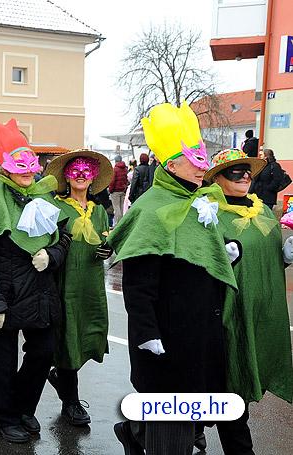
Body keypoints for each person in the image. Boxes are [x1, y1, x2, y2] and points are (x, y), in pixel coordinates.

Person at [109, 102, 239, 455]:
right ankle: (141, 433)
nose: (203, 166)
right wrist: (147, 333)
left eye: (203, 158)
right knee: (171, 427)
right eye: (194, 159)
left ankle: (134, 431)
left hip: (201, 329)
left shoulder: (199, 202)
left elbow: (201, 254)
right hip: (168, 334)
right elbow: (138, 285)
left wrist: (226, 253)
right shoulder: (152, 209)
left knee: (189, 410)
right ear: (171, 165)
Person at [0, 119, 71, 444]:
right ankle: (5, 419)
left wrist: (52, 255)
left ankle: (24, 407)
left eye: (29, 162)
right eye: (18, 164)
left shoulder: (43, 195)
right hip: (5, 296)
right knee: (4, 361)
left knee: (44, 352)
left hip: (40, 293)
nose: (26, 171)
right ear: (3, 166)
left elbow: (64, 237)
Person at [198, 149, 293, 454]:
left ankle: (173, 428)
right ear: (217, 178)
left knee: (235, 381)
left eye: (248, 170)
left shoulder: (261, 210)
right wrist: (217, 261)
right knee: (231, 384)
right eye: (235, 171)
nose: (245, 176)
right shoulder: (206, 212)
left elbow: (263, 260)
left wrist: (284, 256)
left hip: (259, 313)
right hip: (225, 314)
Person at [44, 149, 113, 426]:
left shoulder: (100, 211)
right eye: (75, 170)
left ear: (94, 176)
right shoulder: (55, 208)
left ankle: (60, 377)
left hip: (91, 285)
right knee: (68, 336)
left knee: (86, 333)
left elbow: (107, 238)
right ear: (66, 176)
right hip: (64, 282)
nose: (81, 175)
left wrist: (109, 249)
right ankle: (70, 401)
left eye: (86, 170)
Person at [108, 155, 128, 226]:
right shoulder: (125, 169)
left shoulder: (115, 169)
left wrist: (110, 190)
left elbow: (112, 181)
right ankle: (122, 223)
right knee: (121, 208)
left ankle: (117, 224)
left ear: (116, 161)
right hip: (122, 190)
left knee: (116, 208)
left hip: (115, 191)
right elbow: (126, 180)